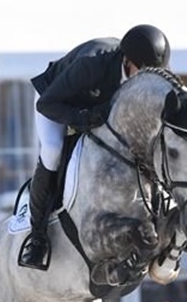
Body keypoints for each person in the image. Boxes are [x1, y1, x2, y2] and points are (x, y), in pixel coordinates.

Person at [18, 24, 172, 270]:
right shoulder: (92, 64)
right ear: (128, 61)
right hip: (56, 101)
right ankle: (37, 236)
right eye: (142, 72)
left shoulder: (151, 72)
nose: (146, 81)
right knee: (53, 150)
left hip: (97, 110)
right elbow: (46, 104)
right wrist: (84, 118)